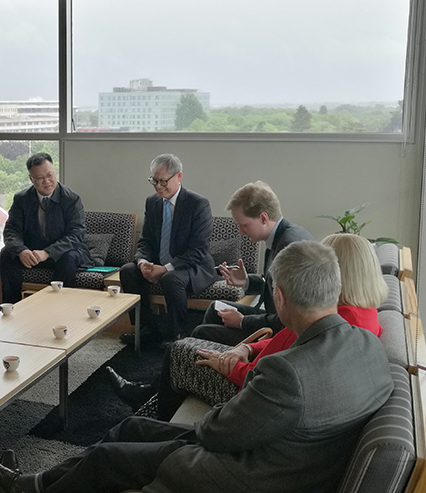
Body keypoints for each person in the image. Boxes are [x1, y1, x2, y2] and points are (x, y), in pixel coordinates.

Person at [0, 240, 393, 493]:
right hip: (275, 462)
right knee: (131, 428)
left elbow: (216, 433)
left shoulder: (289, 374)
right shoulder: (367, 346)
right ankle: (31, 490)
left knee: (112, 457)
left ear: (281, 297)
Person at [119, 232, 389, 419]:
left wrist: (234, 364)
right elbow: (285, 342)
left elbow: (273, 373)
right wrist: (247, 348)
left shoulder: (338, 320)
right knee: (189, 346)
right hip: (251, 370)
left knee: (179, 352)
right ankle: (149, 408)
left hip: (249, 389)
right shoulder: (358, 313)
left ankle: (155, 419)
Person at [191, 180, 313, 346]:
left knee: (201, 332)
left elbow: (287, 320)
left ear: (263, 218)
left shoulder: (288, 248)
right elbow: (272, 284)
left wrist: (242, 321)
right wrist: (246, 281)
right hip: (273, 319)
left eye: (244, 225)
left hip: (280, 333)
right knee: (215, 309)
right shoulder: (282, 236)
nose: (240, 232)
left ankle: (219, 358)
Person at [117, 154, 216, 345]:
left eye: (163, 181)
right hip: (159, 263)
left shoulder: (197, 204)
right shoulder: (152, 202)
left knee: (171, 278)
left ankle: (177, 334)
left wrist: (165, 268)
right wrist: (143, 262)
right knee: (128, 271)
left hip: (192, 266)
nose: (158, 186)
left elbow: (198, 250)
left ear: (179, 176)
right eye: (154, 181)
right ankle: (145, 329)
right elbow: (145, 240)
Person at [0, 152, 91, 303]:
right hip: (33, 253)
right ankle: (11, 306)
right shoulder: (21, 199)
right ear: (31, 179)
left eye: (50, 175)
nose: (47, 181)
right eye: (40, 178)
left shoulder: (71, 199)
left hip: (63, 252)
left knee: (69, 258)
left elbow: (76, 234)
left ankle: (59, 306)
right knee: (6, 254)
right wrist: (21, 250)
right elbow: (11, 230)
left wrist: (48, 252)